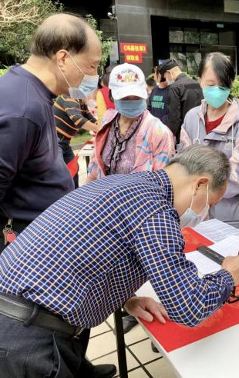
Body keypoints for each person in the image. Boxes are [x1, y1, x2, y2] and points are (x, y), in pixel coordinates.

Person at [0, 144, 239, 378]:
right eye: (210, 204)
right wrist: (228, 276)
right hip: (28, 337)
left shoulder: (124, 183)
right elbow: (188, 307)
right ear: (200, 184)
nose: (204, 214)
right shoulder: (156, 210)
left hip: (17, 311)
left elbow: (93, 252)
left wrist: (125, 297)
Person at [0, 13, 117, 378]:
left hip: (50, 243)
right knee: (49, 335)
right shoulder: (22, 109)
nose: (94, 76)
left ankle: (78, 365)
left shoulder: (34, 94)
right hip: (36, 260)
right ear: (64, 57)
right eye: (93, 65)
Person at [180, 52, 239, 233]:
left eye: (222, 85)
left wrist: (202, 190)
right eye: (210, 84)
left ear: (231, 83)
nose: (216, 90)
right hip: (196, 215)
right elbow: (183, 166)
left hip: (234, 217)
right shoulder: (192, 118)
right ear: (199, 81)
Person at [87, 63, 175, 182]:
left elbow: (164, 182)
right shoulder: (108, 121)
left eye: (137, 97)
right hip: (103, 196)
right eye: (125, 98)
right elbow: (94, 170)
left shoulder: (159, 133)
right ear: (112, 96)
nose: (131, 102)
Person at [53, 94, 100, 188]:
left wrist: (105, 125)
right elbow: (79, 120)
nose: (93, 95)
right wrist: (100, 129)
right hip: (54, 142)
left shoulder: (82, 105)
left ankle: (74, 195)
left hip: (64, 143)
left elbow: (92, 120)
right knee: (59, 173)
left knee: (73, 169)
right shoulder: (70, 99)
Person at [165, 59, 204, 144]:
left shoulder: (174, 87)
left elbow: (174, 117)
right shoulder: (197, 84)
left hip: (184, 133)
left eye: (166, 76)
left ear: (169, 73)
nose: (166, 79)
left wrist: (172, 137)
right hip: (200, 130)